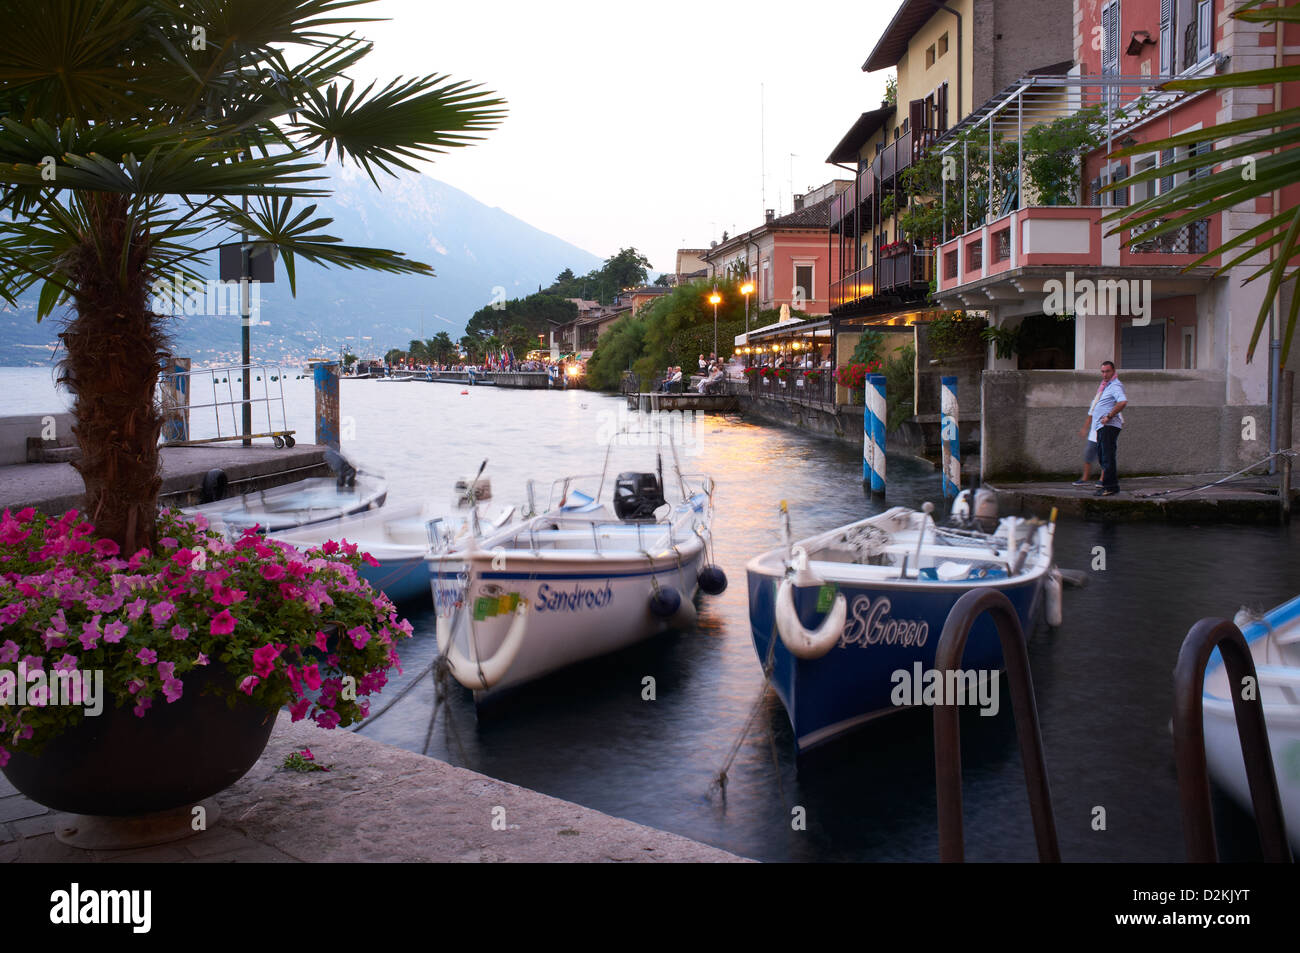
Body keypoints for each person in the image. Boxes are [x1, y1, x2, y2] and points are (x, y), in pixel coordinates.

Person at [1092, 360, 1127, 496]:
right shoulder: (1108, 386)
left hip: (1108, 426)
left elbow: (1122, 402)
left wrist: (1109, 416)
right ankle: (1108, 485)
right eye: (1103, 371)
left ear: (1113, 371)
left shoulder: (1115, 386)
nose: (1105, 374)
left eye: (1107, 371)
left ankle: (1110, 487)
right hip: (1102, 427)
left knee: (1107, 457)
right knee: (1103, 456)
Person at [1072, 378, 1108, 487]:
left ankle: (1102, 479)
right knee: (1088, 456)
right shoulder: (1095, 402)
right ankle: (1085, 478)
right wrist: (1084, 429)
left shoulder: (1111, 403)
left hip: (1105, 435)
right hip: (1093, 435)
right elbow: (1090, 416)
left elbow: (1118, 419)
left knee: (1104, 458)